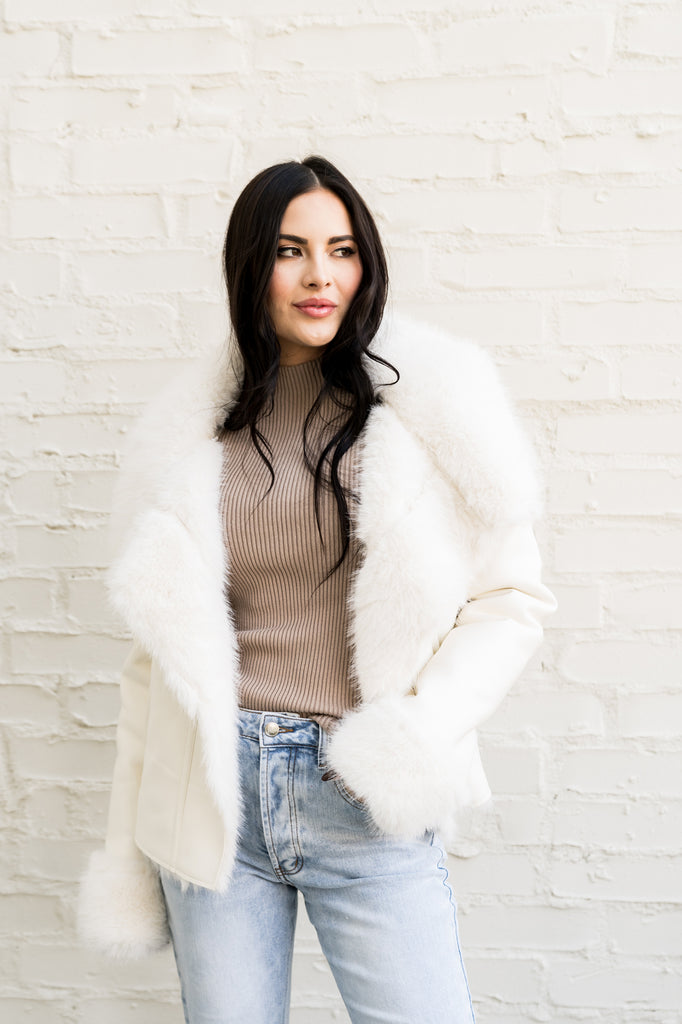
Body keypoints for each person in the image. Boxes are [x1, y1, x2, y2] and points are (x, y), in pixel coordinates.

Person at [78, 156, 557, 1023]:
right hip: (218, 795)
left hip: (363, 790)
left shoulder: (432, 410)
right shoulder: (190, 436)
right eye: (291, 251)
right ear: (251, 266)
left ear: (365, 263)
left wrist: (415, 731)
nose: (319, 276)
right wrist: (125, 848)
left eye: (341, 250)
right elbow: (156, 667)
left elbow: (511, 602)